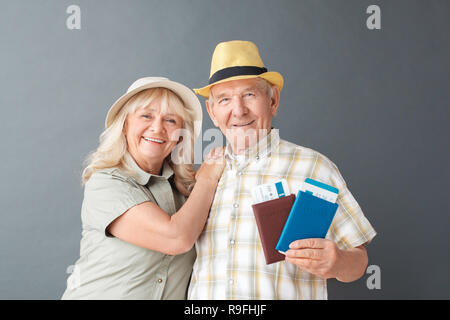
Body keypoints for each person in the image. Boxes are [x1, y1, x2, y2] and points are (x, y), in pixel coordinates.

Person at [187, 40, 377, 300]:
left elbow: (358, 261)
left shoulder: (314, 167)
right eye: (224, 100)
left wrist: (337, 262)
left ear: (273, 100)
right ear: (212, 112)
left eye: (249, 95)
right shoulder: (202, 179)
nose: (238, 110)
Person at [62, 77, 225, 299]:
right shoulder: (106, 183)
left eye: (170, 120)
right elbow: (176, 238)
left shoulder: (187, 192)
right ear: (125, 124)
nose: (157, 128)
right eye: (146, 116)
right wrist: (207, 179)